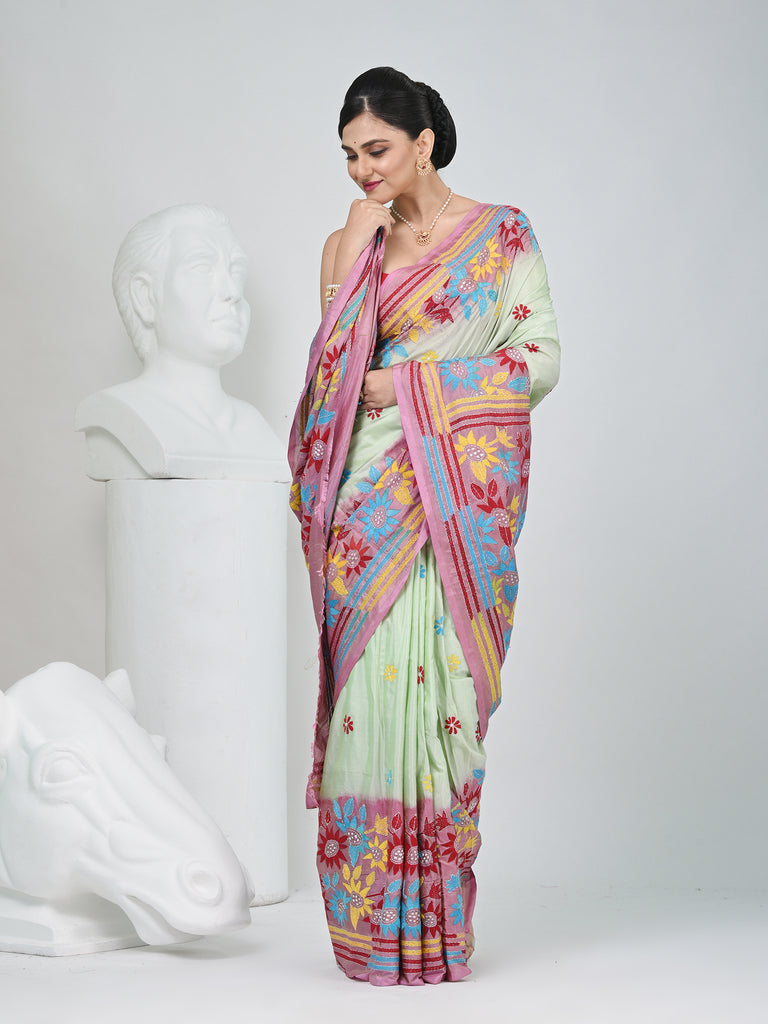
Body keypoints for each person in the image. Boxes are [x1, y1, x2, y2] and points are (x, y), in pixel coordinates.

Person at [289, 67, 560, 986]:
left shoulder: (500, 235)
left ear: (424, 142)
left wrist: (409, 385)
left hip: (452, 509)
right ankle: (369, 933)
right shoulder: (347, 241)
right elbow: (330, 386)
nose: (362, 169)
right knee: (365, 714)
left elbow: (539, 358)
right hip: (367, 508)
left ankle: (436, 933)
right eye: (349, 155)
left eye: (377, 149)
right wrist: (356, 248)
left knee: (442, 708)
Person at [76, 204, 283, 481]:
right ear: (144, 296)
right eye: (202, 267)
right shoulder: (119, 411)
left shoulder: (254, 427)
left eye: (235, 271)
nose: (232, 291)